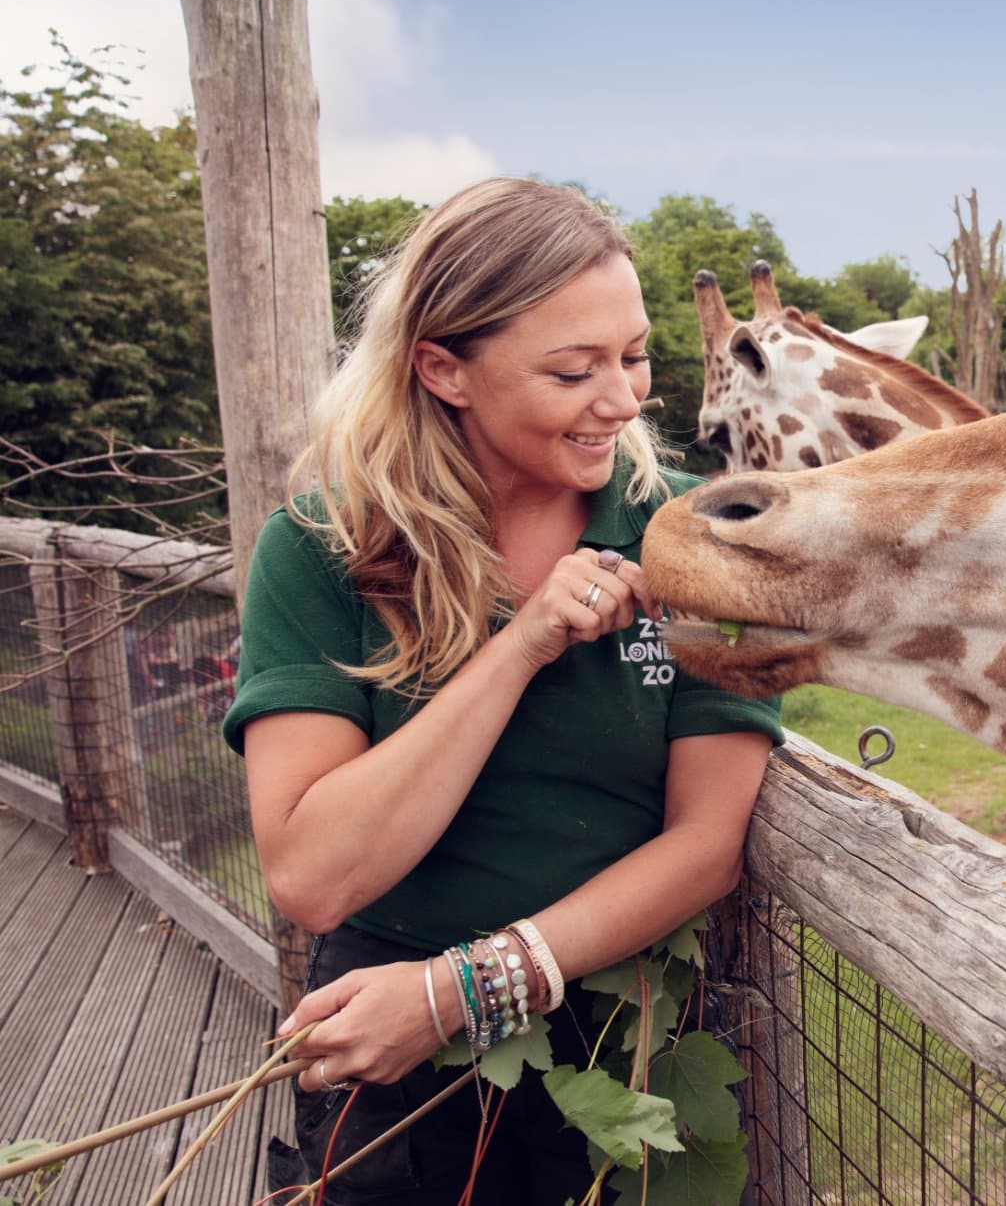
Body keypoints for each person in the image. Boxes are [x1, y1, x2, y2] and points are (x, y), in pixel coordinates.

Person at [222, 177, 781, 1202]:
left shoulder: (692, 538)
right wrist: (519, 645)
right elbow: (311, 873)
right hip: (382, 1031)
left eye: (633, 354)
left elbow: (706, 842)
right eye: (573, 371)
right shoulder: (322, 548)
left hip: (624, 1029)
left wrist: (465, 991)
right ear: (443, 368)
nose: (623, 399)